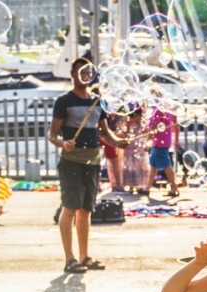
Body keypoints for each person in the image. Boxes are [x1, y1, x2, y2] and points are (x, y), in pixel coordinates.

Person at [47, 58, 129, 274]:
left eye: (88, 72)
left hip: (92, 162)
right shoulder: (64, 101)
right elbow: (52, 134)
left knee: (86, 210)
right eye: (80, 71)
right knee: (70, 208)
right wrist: (63, 143)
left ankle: (84, 257)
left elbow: (104, 133)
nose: (85, 75)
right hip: (72, 162)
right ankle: (70, 259)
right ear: (72, 74)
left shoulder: (96, 101)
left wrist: (118, 142)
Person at [145, 104, 180, 198]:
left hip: (159, 141)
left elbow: (154, 126)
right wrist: (176, 139)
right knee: (153, 165)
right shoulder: (168, 108)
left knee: (166, 164)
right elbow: (175, 123)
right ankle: (147, 188)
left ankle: (174, 187)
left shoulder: (158, 109)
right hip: (163, 140)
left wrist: (147, 140)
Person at [120, 108, 150, 195]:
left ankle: (141, 185)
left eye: (137, 116)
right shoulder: (127, 123)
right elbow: (124, 133)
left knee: (139, 166)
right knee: (129, 166)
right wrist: (128, 124)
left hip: (139, 147)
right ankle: (131, 185)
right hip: (129, 148)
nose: (135, 119)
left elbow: (146, 132)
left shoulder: (142, 124)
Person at [102, 112, 124, 193]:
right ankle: (118, 185)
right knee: (114, 161)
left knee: (113, 160)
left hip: (108, 133)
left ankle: (116, 185)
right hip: (108, 134)